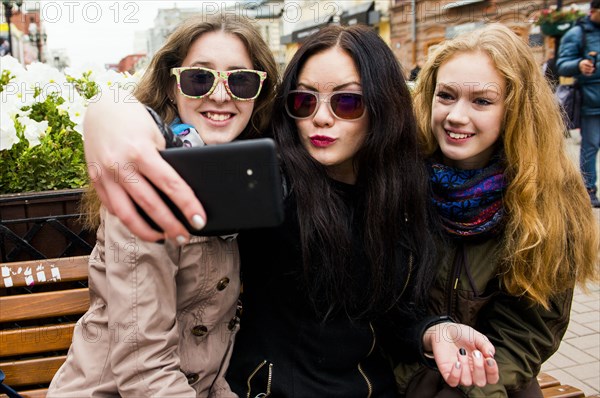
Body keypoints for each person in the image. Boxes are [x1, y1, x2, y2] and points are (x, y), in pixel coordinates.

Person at [80, 23, 501, 396]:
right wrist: (110, 113)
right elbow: (144, 368)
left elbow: (388, 313)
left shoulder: (398, 190)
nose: (321, 118)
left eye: (347, 103)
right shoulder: (266, 185)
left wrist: (433, 331)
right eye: (303, 101)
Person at [48, 15, 278, 397]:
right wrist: (107, 109)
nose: (221, 96)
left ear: (258, 93)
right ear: (173, 88)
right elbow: (145, 372)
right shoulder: (145, 182)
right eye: (199, 78)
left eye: (240, 80)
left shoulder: (244, 171)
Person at [395, 24, 599, 398]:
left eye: (482, 101)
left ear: (516, 108)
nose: (457, 116)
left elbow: (529, 331)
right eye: (447, 95)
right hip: (405, 371)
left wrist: (470, 390)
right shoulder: (399, 174)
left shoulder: (551, 196)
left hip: (493, 381)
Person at [557, 0, 600, 207]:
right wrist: (579, 64)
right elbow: (561, 65)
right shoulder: (577, 34)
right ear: (593, 11)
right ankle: (588, 189)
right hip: (591, 101)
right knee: (591, 146)